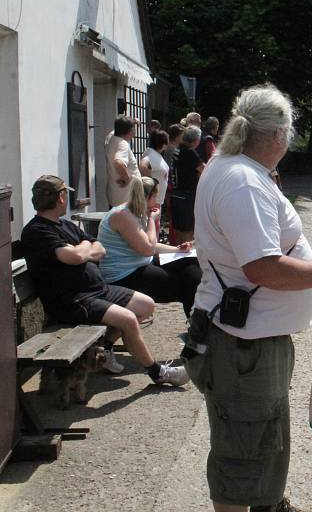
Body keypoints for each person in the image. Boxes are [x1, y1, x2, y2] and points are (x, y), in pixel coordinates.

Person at [189, 83, 312, 512]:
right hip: (245, 349)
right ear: (280, 135)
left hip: (248, 342)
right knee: (241, 454)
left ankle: (270, 502)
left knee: (261, 440)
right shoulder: (242, 182)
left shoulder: (232, 166)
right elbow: (262, 268)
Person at [20, 175, 188, 386]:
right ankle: (159, 372)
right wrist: (83, 250)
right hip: (72, 299)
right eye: (65, 194)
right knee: (127, 319)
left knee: (146, 305)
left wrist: (82, 250)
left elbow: (99, 248)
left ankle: (106, 347)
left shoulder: (64, 225)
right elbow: (74, 257)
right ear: (61, 197)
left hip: (96, 289)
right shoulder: (38, 230)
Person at [98, 176, 201, 318]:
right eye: (156, 196)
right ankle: (196, 326)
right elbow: (147, 249)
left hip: (140, 264)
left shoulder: (136, 212)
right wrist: (152, 220)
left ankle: (196, 323)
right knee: (183, 283)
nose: (158, 201)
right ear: (149, 196)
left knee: (191, 266)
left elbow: (149, 244)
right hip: (124, 275)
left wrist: (178, 249)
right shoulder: (122, 215)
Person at [171, 125, 205, 243]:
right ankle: (186, 258)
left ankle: (178, 256)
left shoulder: (177, 149)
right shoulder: (190, 152)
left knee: (179, 230)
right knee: (188, 231)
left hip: (176, 193)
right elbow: (204, 170)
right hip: (187, 195)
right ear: (196, 140)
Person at [105, 115, 141, 207]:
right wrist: (127, 178)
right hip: (126, 200)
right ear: (130, 130)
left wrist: (132, 121)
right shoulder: (123, 144)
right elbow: (119, 162)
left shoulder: (111, 139)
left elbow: (118, 127)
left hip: (117, 197)